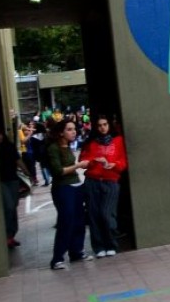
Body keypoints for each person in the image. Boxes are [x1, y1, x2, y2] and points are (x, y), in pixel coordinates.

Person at [80, 115, 128, 257]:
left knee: (106, 214)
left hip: (110, 180)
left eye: (105, 124)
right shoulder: (91, 142)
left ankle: (111, 243)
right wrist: (94, 161)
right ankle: (99, 246)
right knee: (94, 215)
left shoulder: (118, 140)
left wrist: (114, 165)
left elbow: (123, 162)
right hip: (93, 180)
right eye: (100, 125)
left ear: (109, 125)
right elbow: (82, 160)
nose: (102, 127)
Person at [47, 120, 92, 270]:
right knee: (66, 221)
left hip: (76, 185)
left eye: (74, 129)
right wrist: (78, 166)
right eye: (69, 129)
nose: (73, 132)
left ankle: (76, 251)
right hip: (63, 188)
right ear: (61, 132)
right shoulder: (54, 148)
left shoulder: (68, 147)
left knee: (79, 220)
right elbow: (58, 171)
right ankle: (58, 258)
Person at [0, 129, 29, 249]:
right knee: (9, 207)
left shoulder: (9, 146)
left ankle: (11, 234)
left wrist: (26, 171)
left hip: (13, 179)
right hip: (2, 181)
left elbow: (17, 159)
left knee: (13, 207)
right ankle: (7, 235)